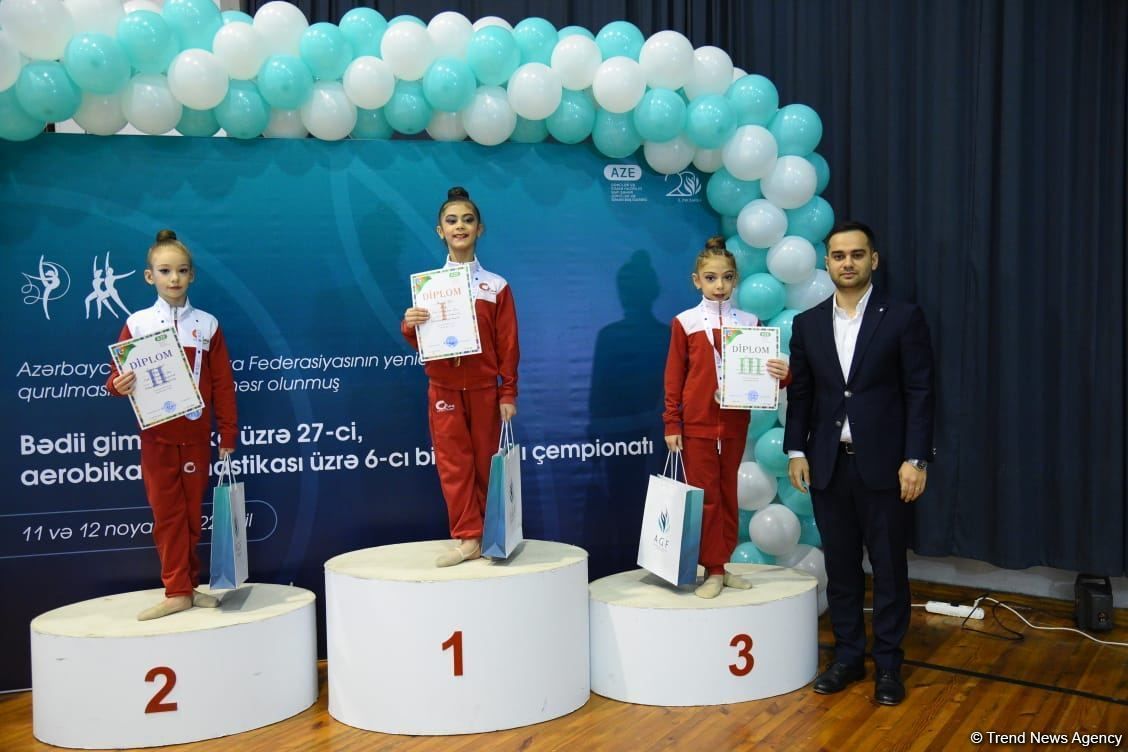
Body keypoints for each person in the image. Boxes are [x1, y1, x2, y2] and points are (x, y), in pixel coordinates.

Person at [783, 220, 935, 706]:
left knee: (889, 568)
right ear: (826, 263)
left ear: (874, 260)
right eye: (838, 255)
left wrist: (916, 458)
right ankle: (848, 657)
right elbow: (803, 394)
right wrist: (796, 450)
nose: (846, 263)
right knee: (842, 568)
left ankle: (888, 664)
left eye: (856, 254)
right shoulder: (807, 323)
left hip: (887, 467)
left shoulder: (903, 317)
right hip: (828, 465)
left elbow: (920, 391)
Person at [106, 229, 238, 621]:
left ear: (192, 275)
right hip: (157, 436)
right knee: (167, 515)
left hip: (195, 435)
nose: (174, 278)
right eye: (165, 271)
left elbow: (222, 383)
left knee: (192, 515)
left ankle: (189, 587)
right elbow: (116, 377)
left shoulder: (207, 325)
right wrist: (117, 385)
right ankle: (176, 590)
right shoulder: (138, 324)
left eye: (181, 270)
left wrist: (227, 432)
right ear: (150, 277)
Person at [663, 236, 791, 599]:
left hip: (735, 423)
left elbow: (764, 374)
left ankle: (723, 564)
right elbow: (674, 376)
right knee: (706, 497)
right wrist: (672, 422)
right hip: (697, 425)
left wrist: (783, 376)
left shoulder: (749, 322)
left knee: (728, 494)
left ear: (736, 280)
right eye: (711, 278)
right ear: (696, 281)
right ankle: (713, 568)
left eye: (727, 277)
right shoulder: (685, 322)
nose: (719, 285)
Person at [402, 187, 519, 567]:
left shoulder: (495, 286)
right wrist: (410, 324)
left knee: (487, 464)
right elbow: (423, 341)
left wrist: (508, 392)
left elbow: (507, 343)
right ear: (440, 231)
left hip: (485, 390)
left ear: (479, 229)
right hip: (444, 388)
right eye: (451, 221)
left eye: (467, 220)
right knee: (454, 465)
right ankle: (468, 537)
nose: (460, 226)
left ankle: (493, 534)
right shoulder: (429, 286)